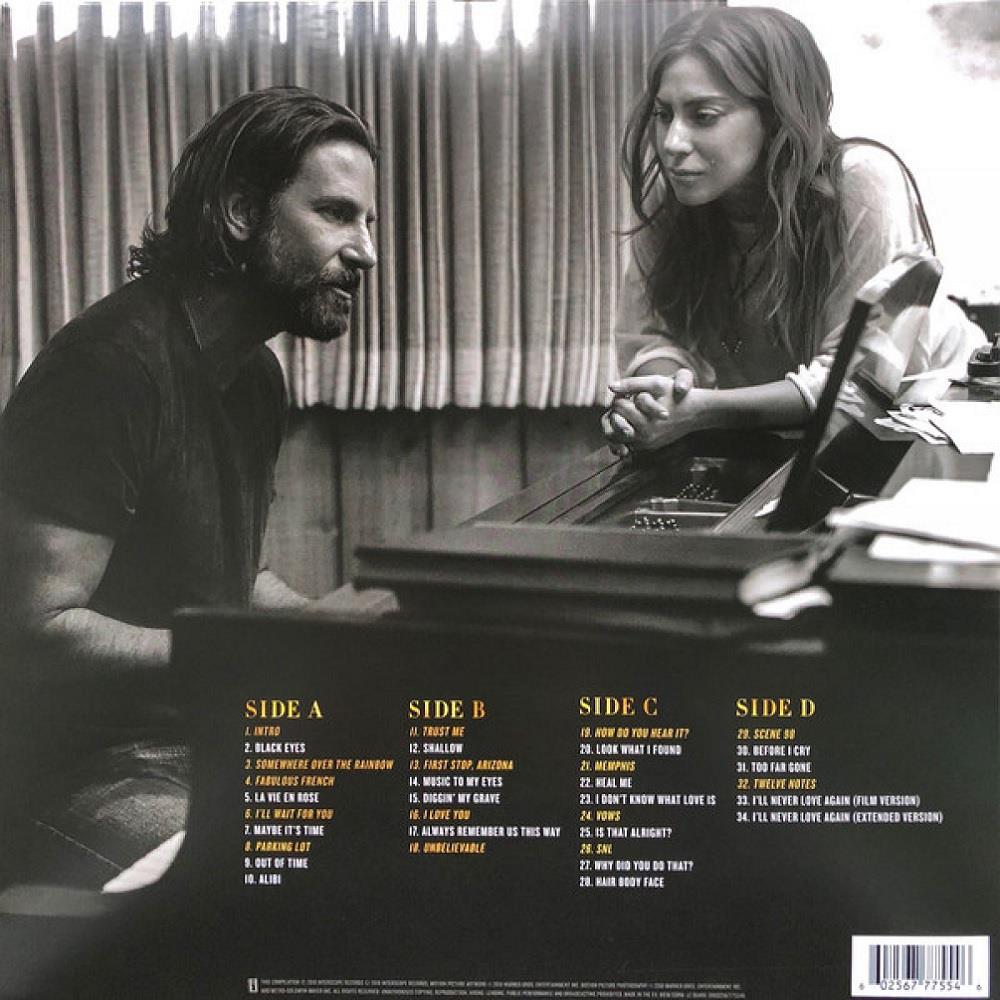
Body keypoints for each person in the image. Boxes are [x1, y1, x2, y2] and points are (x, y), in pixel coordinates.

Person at [0, 86, 378, 887]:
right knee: (276, 887)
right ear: (241, 212)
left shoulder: (256, 377)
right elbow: (32, 628)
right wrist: (234, 653)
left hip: (197, 741)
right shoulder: (106, 368)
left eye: (367, 222)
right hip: (72, 773)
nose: (365, 252)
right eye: (336, 214)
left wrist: (332, 631)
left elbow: (230, 579)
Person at [602, 6, 983, 456]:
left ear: (777, 115)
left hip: (942, 420)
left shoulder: (862, 185)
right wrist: (663, 397)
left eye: (703, 116)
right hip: (786, 437)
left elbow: (855, 385)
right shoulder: (672, 197)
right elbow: (650, 334)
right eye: (664, 114)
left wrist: (703, 410)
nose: (672, 143)